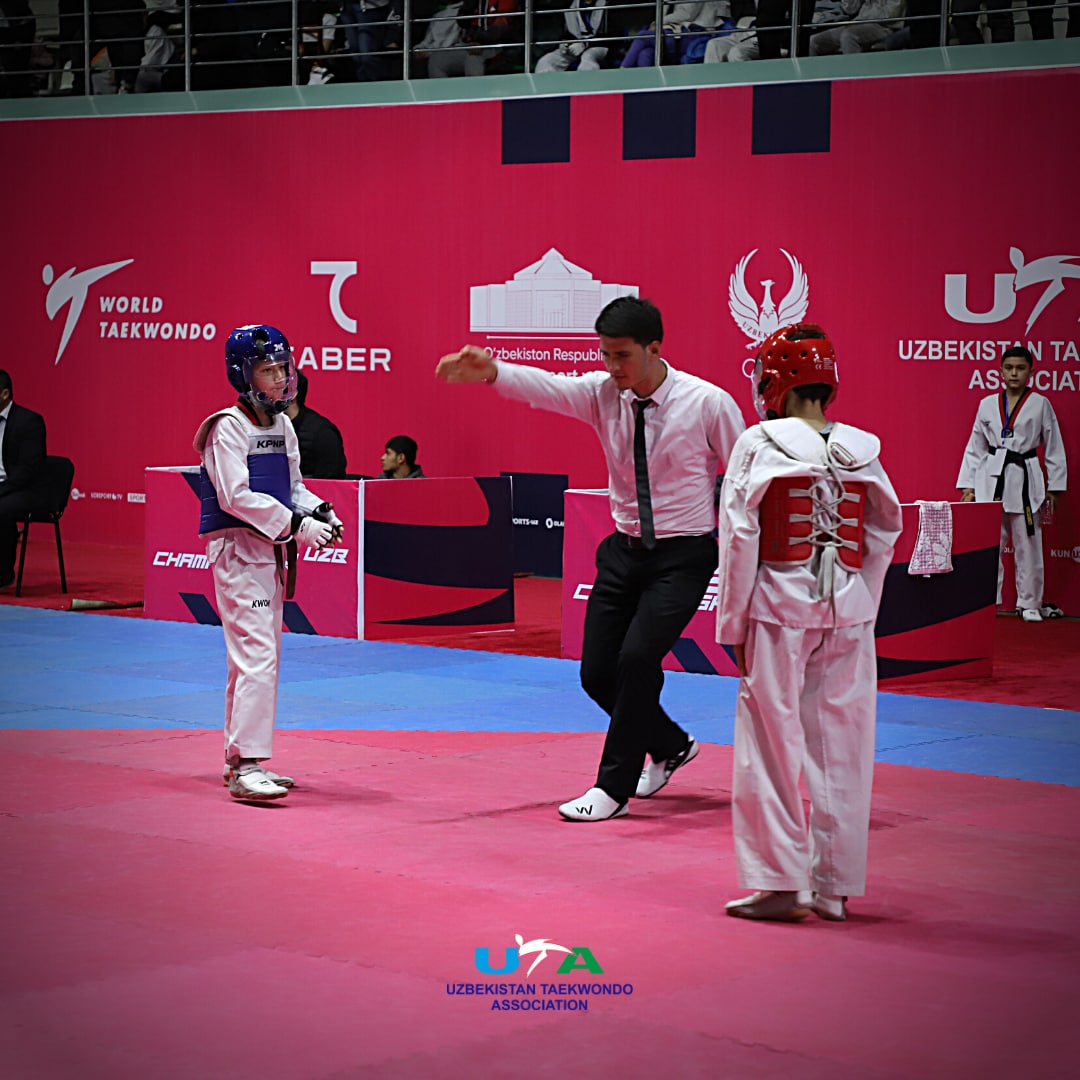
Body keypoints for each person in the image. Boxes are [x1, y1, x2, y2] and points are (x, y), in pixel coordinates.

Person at [437, 297, 745, 821]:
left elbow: (743, 479)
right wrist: (493, 371)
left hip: (683, 555)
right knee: (597, 674)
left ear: (654, 349)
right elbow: (548, 388)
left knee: (636, 661)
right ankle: (671, 745)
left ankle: (612, 789)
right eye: (605, 355)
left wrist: (744, 560)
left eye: (622, 355)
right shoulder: (604, 394)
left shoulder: (708, 403)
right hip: (623, 551)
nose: (612, 366)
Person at [717, 323, 902, 922]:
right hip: (848, 611)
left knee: (770, 744)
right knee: (844, 744)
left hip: (779, 607)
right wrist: (863, 600)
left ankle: (779, 883)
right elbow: (885, 530)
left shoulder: (759, 443)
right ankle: (834, 887)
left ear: (775, 382)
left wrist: (733, 625)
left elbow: (738, 537)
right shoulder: (861, 450)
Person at [195, 325, 344, 802]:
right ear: (243, 375)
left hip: (269, 552)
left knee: (255, 659)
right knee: (256, 656)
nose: (279, 378)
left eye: (283, 368)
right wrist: (297, 525)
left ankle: (239, 760)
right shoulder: (227, 427)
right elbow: (235, 496)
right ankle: (246, 767)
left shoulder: (282, 425)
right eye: (267, 369)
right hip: (238, 550)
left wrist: (319, 510)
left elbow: (293, 486)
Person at [957, 345, 1067, 623]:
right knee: (989, 543)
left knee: (1028, 541)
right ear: (1001, 371)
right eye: (1009, 368)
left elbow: (1053, 446)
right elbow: (975, 446)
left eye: (1020, 368)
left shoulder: (1040, 403)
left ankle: (1029, 602)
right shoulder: (986, 404)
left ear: (1031, 372)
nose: (1014, 373)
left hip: (1025, 475)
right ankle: (986, 601)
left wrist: (1055, 487)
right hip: (991, 477)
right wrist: (969, 486)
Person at [0, 369, 47, 590]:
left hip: (24, 490)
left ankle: (3, 573)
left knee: (2, 509)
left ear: (5, 394)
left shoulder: (29, 422)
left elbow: (29, 470)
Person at [287, 371, 349, 478]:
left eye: (276, 388)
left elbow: (332, 481)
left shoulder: (322, 433)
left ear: (292, 394)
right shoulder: (268, 426)